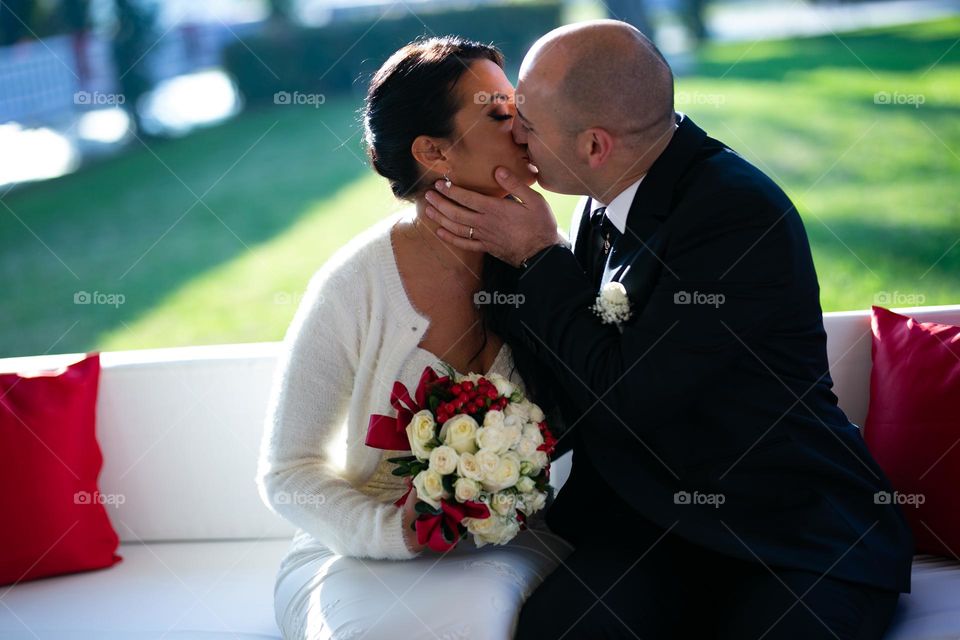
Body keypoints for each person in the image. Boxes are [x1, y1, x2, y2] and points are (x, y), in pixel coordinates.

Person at [423, 20, 914, 640]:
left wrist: (540, 256)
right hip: (654, 529)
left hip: (789, 533)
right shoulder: (604, 196)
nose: (515, 134)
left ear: (594, 145)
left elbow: (628, 398)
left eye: (528, 121)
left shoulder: (734, 214)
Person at [255, 36, 572, 639]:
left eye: (522, 109)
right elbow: (287, 472)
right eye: (501, 115)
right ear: (433, 151)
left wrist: (544, 253)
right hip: (359, 552)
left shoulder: (551, 257)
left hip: (515, 543)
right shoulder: (355, 285)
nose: (525, 128)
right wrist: (395, 531)